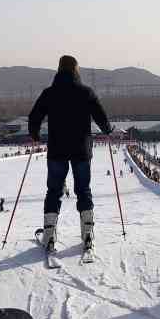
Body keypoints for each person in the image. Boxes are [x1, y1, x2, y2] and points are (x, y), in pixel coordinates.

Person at [28, 54, 112, 252]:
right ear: (76, 70)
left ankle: (49, 235)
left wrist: (35, 134)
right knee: (83, 190)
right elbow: (101, 116)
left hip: (57, 149)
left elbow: (34, 117)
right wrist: (108, 129)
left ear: (59, 69)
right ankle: (88, 233)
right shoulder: (86, 92)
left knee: (54, 191)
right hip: (82, 150)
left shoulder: (49, 93)